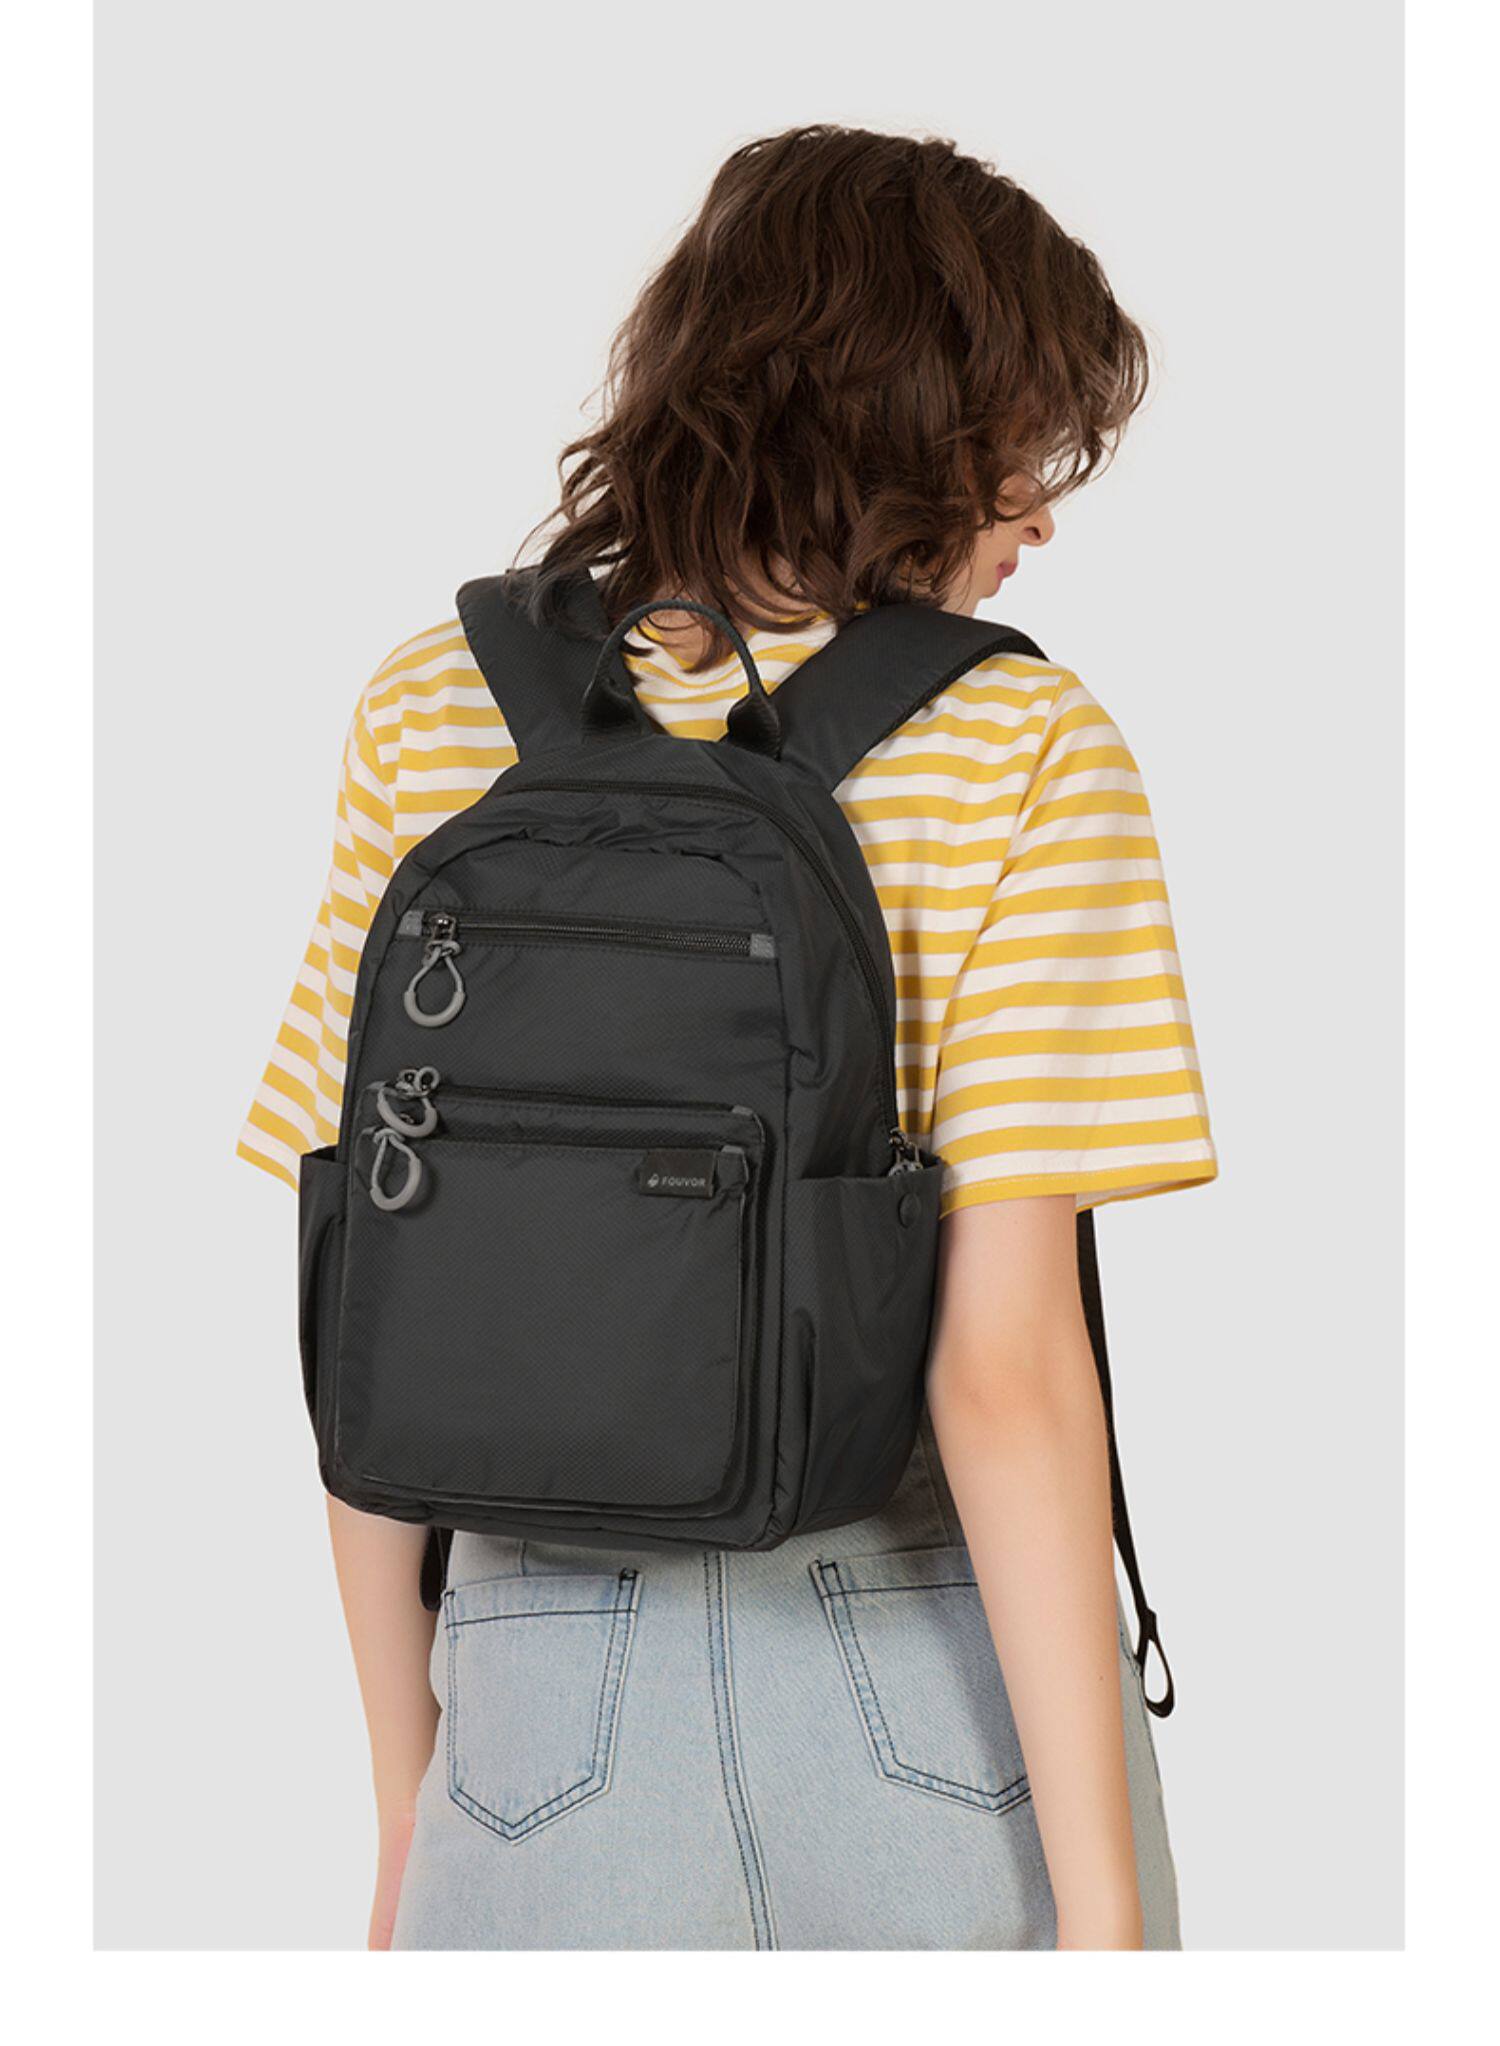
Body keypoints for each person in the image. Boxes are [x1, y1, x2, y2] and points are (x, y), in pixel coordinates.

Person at [240, 125, 1216, 1951]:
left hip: (532, 1694)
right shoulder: (1023, 750)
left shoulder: (431, 707)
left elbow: (360, 1284)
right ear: (916, 418)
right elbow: (1001, 1367)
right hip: (924, 1678)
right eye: (1024, 443)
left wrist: (405, 1793)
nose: (1040, 514)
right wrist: (1105, 1918)